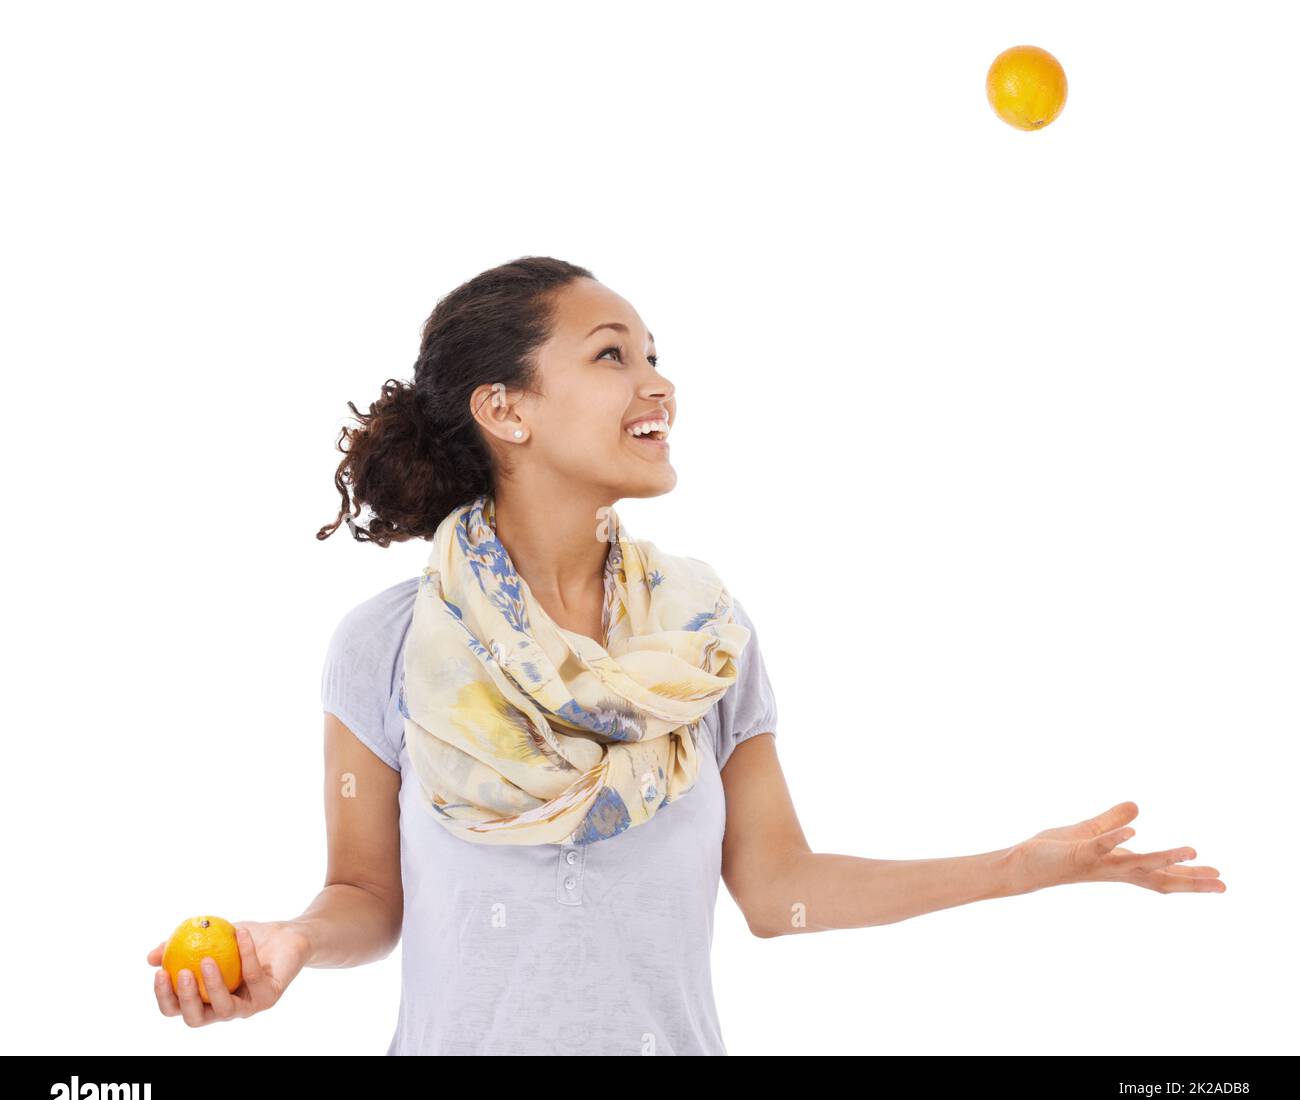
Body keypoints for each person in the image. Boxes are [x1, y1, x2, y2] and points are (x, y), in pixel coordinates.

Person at [146, 255, 1226, 1054]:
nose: (657, 386)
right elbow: (367, 901)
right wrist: (290, 939)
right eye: (612, 355)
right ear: (505, 410)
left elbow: (777, 892)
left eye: (654, 357)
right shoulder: (385, 648)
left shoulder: (701, 645)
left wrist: (1014, 869)